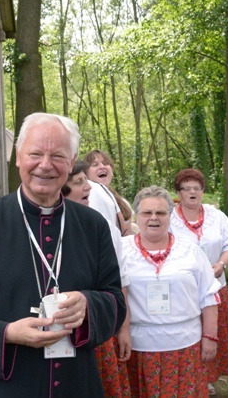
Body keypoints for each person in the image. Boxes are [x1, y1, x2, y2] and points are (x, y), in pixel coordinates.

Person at [0, 113, 126, 397]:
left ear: (71, 162)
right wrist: (5, 334)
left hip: (74, 385)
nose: (45, 165)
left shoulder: (92, 226)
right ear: (18, 156)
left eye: (57, 156)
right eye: (35, 154)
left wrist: (88, 304)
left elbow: (115, 302)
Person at [123, 185, 220, 397]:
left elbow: (209, 295)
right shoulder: (121, 251)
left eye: (160, 212)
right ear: (137, 216)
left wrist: (210, 337)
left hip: (185, 344)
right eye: (147, 212)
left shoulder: (190, 250)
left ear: (170, 216)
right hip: (139, 346)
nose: (153, 218)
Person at [62, 160, 132, 397]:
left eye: (87, 181)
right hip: (51, 333)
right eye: (79, 182)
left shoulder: (103, 228)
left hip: (93, 331)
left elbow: (120, 283)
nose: (89, 188)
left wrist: (123, 329)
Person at [169, 168, 228, 395]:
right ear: (178, 193)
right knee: (190, 335)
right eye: (186, 189)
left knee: (213, 334)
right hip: (184, 291)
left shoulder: (216, 215)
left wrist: (221, 265)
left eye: (196, 188)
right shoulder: (170, 219)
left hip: (215, 287)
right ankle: (191, 376)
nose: (192, 192)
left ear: (203, 191)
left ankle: (208, 378)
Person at [84, 149, 134, 236]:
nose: (102, 166)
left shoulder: (124, 203)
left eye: (105, 163)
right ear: (86, 174)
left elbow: (127, 236)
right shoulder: (85, 199)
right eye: (95, 165)